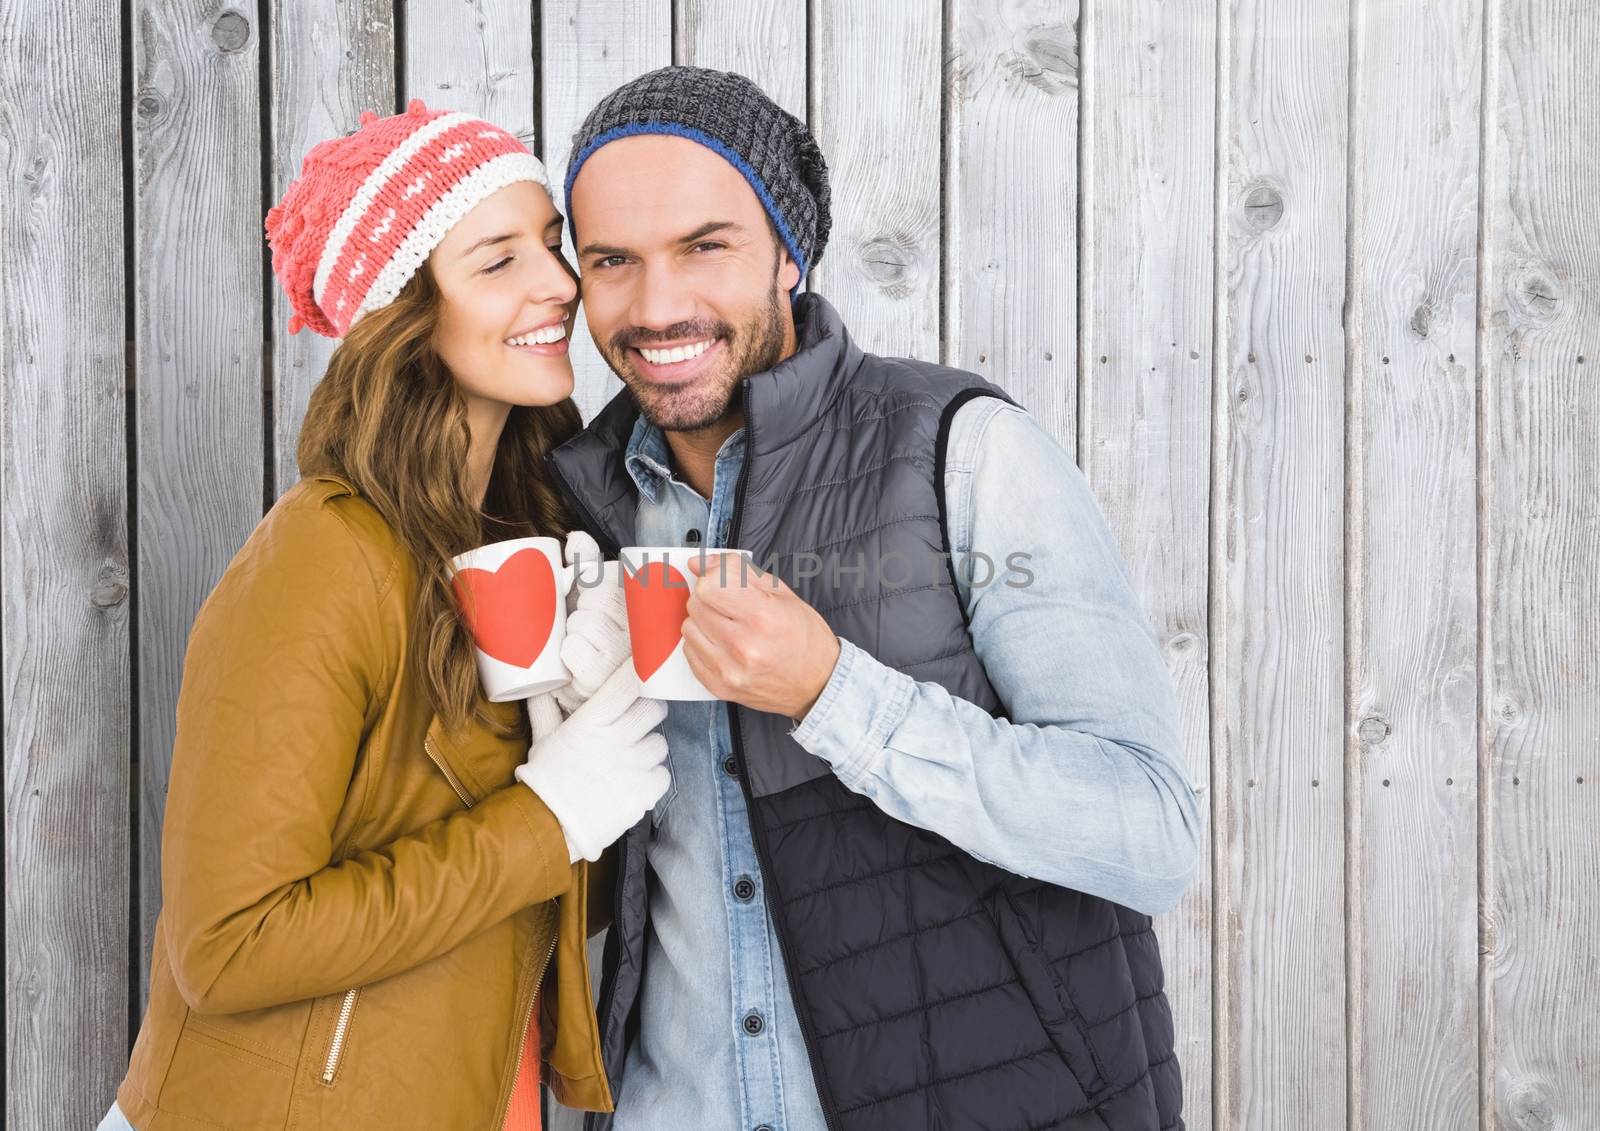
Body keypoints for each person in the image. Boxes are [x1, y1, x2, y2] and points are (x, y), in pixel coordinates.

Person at [544, 66, 1204, 1131]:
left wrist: (833, 693)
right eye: (613, 261)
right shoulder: (575, 504)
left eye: (705, 247)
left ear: (789, 255)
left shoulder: (962, 449)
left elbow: (1148, 832)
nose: (656, 306)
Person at [96, 100, 665, 1130]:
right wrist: (549, 812)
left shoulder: (523, 541)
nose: (559, 284)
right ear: (404, 313)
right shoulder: (322, 557)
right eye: (496, 261)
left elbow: (520, 901)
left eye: (550, 244)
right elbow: (227, 946)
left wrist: (580, 744)